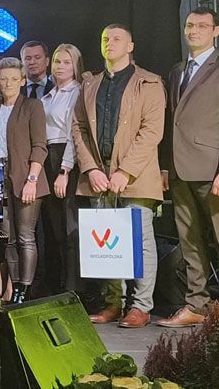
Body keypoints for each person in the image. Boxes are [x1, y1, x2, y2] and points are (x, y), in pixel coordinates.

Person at [73, 24, 165, 329]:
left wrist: (125, 170)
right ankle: (113, 302)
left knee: (140, 241)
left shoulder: (149, 83)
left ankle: (141, 306)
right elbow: (78, 128)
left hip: (136, 177)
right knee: (107, 242)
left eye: (116, 39)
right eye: (105, 39)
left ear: (130, 46)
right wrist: (91, 168)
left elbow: (152, 131)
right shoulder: (90, 84)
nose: (109, 43)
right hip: (100, 177)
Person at [158, 7, 219, 327]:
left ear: (216, 31)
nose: (193, 31)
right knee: (190, 243)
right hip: (180, 170)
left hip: (213, 172)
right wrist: (165, 168)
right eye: (190, 25)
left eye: (202, 26)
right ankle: (196, 305)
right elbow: (172, 125)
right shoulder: (177, 71)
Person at [0, 58, 49, 304]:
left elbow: (40, 146)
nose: (8, 83)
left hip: (26, 176)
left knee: (26, 236)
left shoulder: (32, 106)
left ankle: (25, 289)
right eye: (4, 79)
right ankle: (13, 289)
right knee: (8, 238)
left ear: (23, 81)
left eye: (14, 79)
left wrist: (32, 179)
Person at [40, 44, 84, 301]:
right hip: (47, 157)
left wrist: (65, 170)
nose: (60, 66)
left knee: (70, 228)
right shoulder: (49, 95)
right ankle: (59, 285)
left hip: (66, 160)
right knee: (55, 228)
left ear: (76, 66)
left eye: (67, 62)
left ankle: (75, 289)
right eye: (57, 61)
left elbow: (74, 135)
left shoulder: (77, 92)